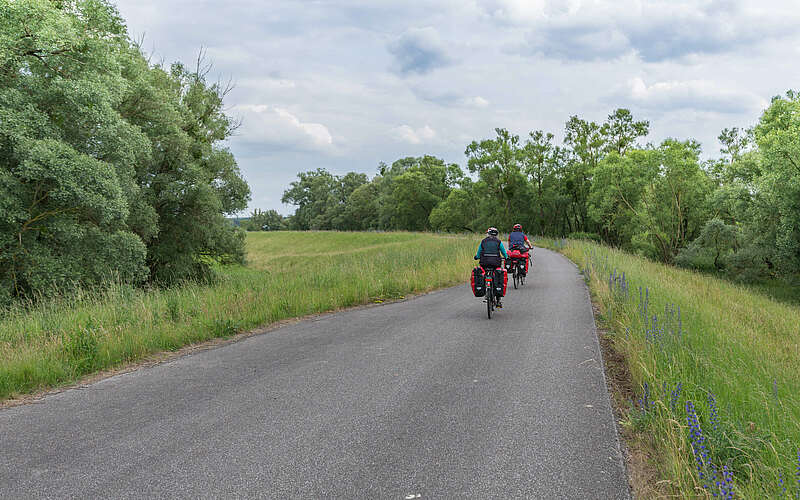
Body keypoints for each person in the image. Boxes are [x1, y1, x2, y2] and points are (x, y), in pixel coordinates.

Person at [474, 227, 507, 308]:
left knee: (483, 274)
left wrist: (476, 257)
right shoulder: (499, 242)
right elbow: (503, 252)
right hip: (496, 263)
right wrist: (506, 257)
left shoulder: (483, 241)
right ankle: (498, 300)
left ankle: (485, 288)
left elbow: (478, 253)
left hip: (484, 263)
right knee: (498, 275)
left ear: (488, 233)